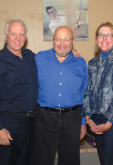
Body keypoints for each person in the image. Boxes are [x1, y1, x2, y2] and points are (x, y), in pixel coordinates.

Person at [0, 19, 38, 165]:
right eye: (13, 34)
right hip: (8, 125)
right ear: (6, 36)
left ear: (25, 37)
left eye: (21, 34)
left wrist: (70, 52)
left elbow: (52, 59)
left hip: (31, 125)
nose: (18, 38)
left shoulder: (31, 57)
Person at [34, 26, 88, 165]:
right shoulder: (39, 58)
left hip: (72, 119)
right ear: (53, 40)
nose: (62, 43)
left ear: (73, 41)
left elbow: (84, 94)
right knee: (42, 160)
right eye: (58, 39)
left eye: (66, 39)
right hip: (44, 118)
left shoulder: (81, 63)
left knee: (70, 161)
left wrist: (82, 123)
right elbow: (18, 50)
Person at [83, 22, 113, 165]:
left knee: (109, 160)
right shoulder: (92, 63)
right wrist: (88, 118)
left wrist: (109, 123)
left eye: (108, 35)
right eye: (100, 35)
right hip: (95, 118)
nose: (104, 38)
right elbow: (87, 92)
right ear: (96, 39)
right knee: (103, 159)